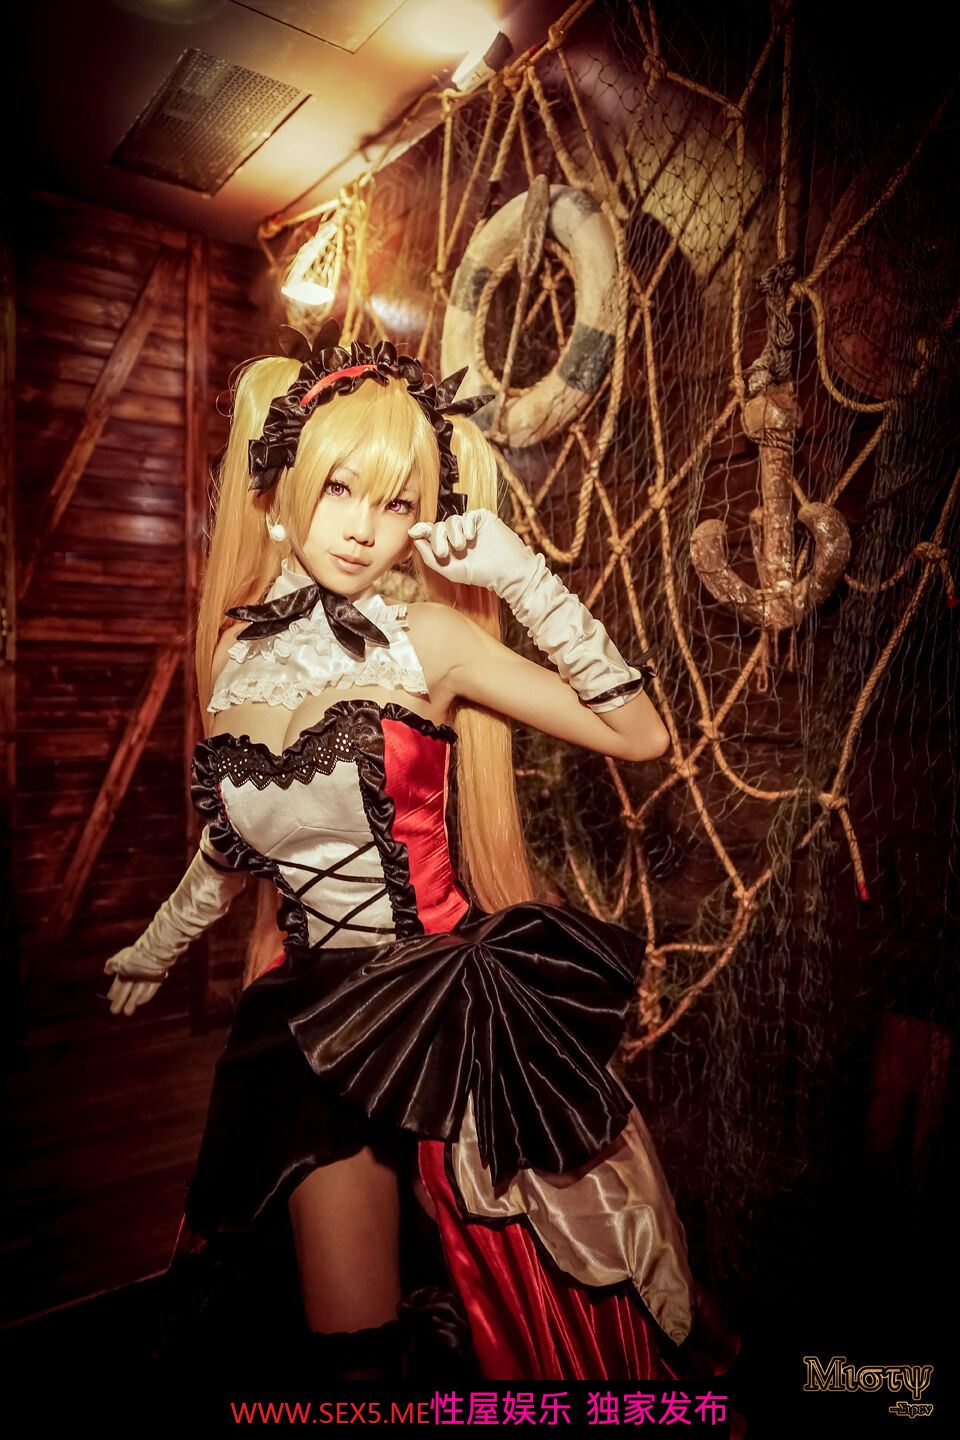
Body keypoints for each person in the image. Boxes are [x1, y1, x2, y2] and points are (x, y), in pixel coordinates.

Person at [101, 324, 727, 1389]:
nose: (364, 528)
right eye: (341, 488)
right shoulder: (236, 654)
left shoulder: (429, 641)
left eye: (398, 503)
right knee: (353, 1350)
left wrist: (519, 575)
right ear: (282, 488)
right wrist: (156, 947)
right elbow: (233, 843)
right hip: (309, 1026)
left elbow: (639, 735)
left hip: (448, 1014)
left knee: (533, 1328)